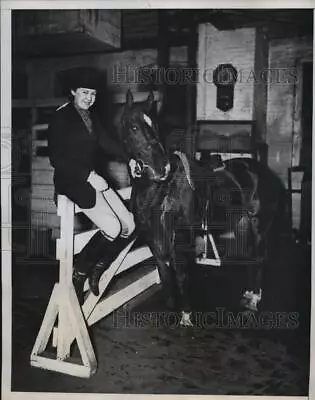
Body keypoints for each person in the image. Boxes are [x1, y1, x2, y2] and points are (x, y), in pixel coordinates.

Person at [48, 66, 137, 304]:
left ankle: (97, 267)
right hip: (73, 181)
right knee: (112, 228)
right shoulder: (60, 117)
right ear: (73, 91)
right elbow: (56, 159)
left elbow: (107, 142)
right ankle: (79, 273)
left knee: (129, 224)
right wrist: (88, 176)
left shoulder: (92, 117)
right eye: (85, 93)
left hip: (93, 177)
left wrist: (130, 158)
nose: (89, 98)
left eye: (93, 94)